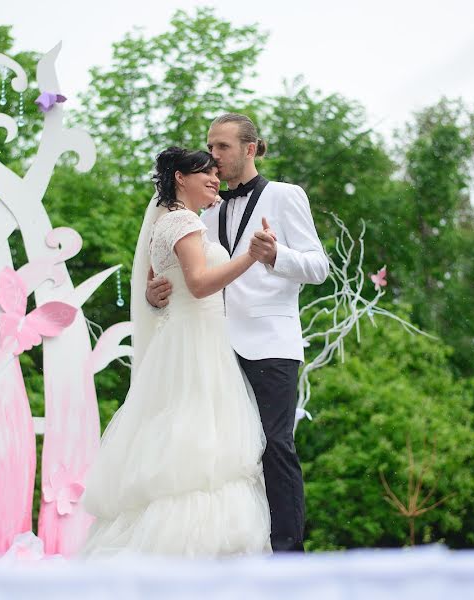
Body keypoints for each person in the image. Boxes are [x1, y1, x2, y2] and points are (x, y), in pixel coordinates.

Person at [146, 114, 329, 552]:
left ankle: (287, 555)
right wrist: (156, 294)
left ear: (250, 149)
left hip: (270, 343)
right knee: (222, 451)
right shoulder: (202, 207)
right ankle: (234, 548)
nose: (214, 155)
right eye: (210, 147)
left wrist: (275, 254)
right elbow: (188, 271)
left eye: (222, 147)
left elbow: (319, 268)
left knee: (275, 447)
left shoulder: (285, 196)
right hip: (212, 346)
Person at [79, 147, 271, 557]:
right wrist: (250, 257)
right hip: (197, 341)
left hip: (183, 337)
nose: (215, 179)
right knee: (201, 446)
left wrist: (152, 294)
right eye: (205, 172)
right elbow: (200, 284)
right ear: (180, 178)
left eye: (216, 172)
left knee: (179, 439)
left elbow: (157, 281)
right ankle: (196, 552)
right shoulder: (183, 220)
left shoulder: (167, 221)